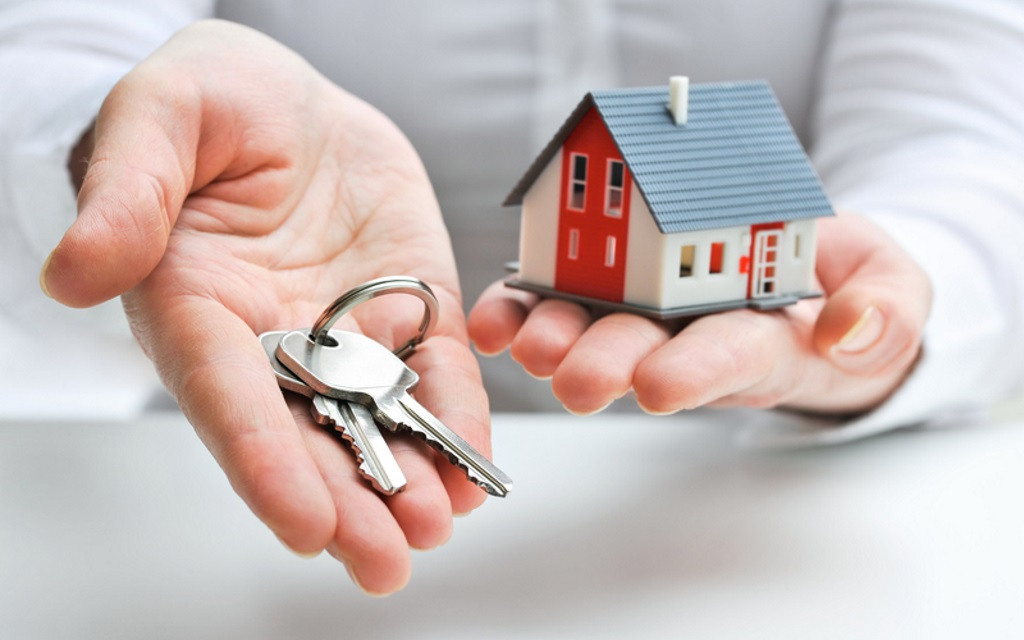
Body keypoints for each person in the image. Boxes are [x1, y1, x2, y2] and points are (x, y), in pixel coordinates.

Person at [2, 0, 1022, 595]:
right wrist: (115, 140)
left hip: (767, 534)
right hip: (187, 510)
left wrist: (896, 293)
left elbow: (967, 139)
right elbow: (46, 47)